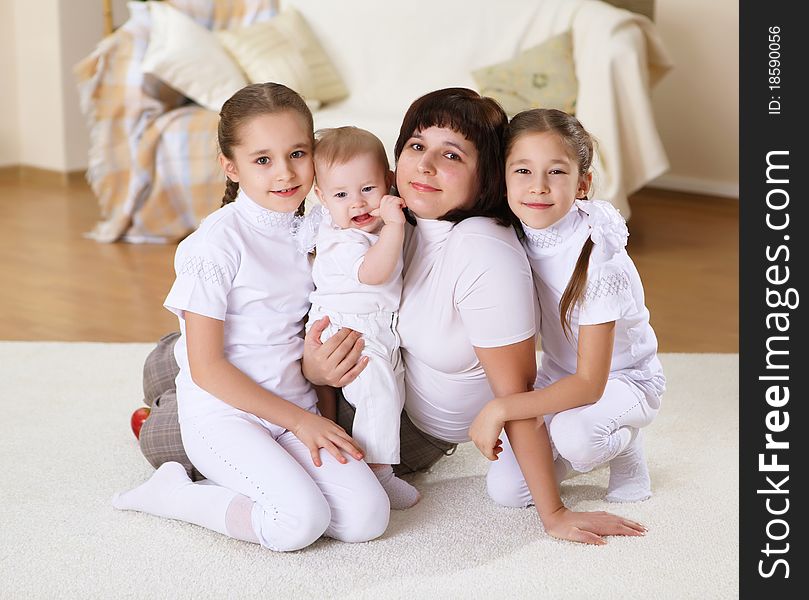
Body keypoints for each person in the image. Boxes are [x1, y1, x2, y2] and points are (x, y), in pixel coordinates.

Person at [303, 89, 647, 544]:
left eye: (451, 154)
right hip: (324, 383)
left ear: (486, 174)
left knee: (189, 443)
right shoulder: (394, 214)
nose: (425, 166)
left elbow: (517, 390)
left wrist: (555, 513)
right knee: (189, 367)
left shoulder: (481, 251)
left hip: (386, 426)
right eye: (416, 146)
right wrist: (313, 369)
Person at [112, 82, 389, 552]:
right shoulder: (215, 244)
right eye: (263, 160)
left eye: (297, 153)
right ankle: (176, 494)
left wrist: (314, 415)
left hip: (291, 408)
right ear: (231, 167)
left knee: (368, 518)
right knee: (296, 524)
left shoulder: (318, 226)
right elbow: (207, 367)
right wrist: (304, 425)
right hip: (224, 415)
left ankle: (271, 483)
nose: (284, 173)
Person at [470, 108, 665, 509]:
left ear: (582, 184)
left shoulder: (597, 255)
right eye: (522, 171)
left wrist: (503, 406)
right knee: (508, 492)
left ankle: (626, 445)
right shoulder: (512, 231)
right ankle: (573, 439)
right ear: (502, 177)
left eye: (556, 172)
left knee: (579, 439)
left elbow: (591, 384)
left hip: (622, 379)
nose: (538, 187)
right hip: (559, 375)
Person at [306, 126, 418, 509]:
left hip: (376, 326)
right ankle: (377, 474)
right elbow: (374, 273)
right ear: (321, 198)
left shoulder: (374, 230)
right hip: (346, 329)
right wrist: (396, 226)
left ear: (388, 182)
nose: (357, 203)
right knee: (377, 391)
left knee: (393, 390)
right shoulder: (343, 240)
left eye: (368, 189)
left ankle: (378, 464)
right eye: (340, 195)